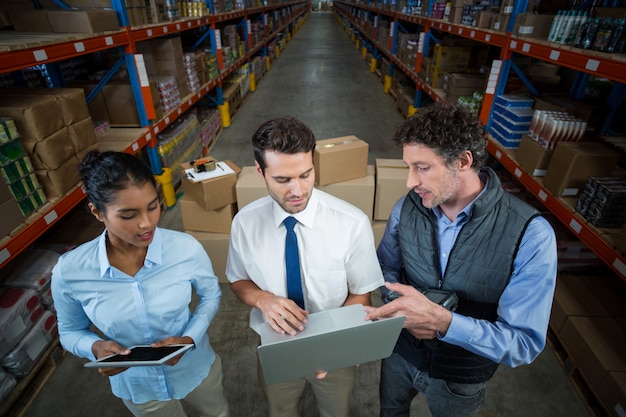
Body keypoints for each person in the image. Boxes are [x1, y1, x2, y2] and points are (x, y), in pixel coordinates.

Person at [364, 103, 558, 417]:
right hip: (399, 355)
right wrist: (399, 302)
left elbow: (523, 342)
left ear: (463, 161)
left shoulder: (530, 233)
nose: (410, 182)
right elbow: (386, 268)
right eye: (408, 167)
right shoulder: (407, 208)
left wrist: (444, 323)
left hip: (461, 377)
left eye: (422, 168)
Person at [226, 116, 384, 417]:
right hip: (275, 348)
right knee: (280, 410)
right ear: (260, 172)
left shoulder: (351, 224)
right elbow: (238, 280)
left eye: (305, 175)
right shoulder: (244, 224)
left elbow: (361, 294)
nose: (297, 190)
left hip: (335, 351)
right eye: (282, 180)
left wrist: (335, 348)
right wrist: (264, 300)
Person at [51, 151, 229, 417]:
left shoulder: (184, 249)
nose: (146, 223)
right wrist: (95, 347)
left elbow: (210, 296)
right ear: (98, 212)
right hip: (139, 386)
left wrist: (188, 338)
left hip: (195, 368)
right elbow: (70, 331)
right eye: (128, 215)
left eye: (152, 206)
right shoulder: (70, 271)